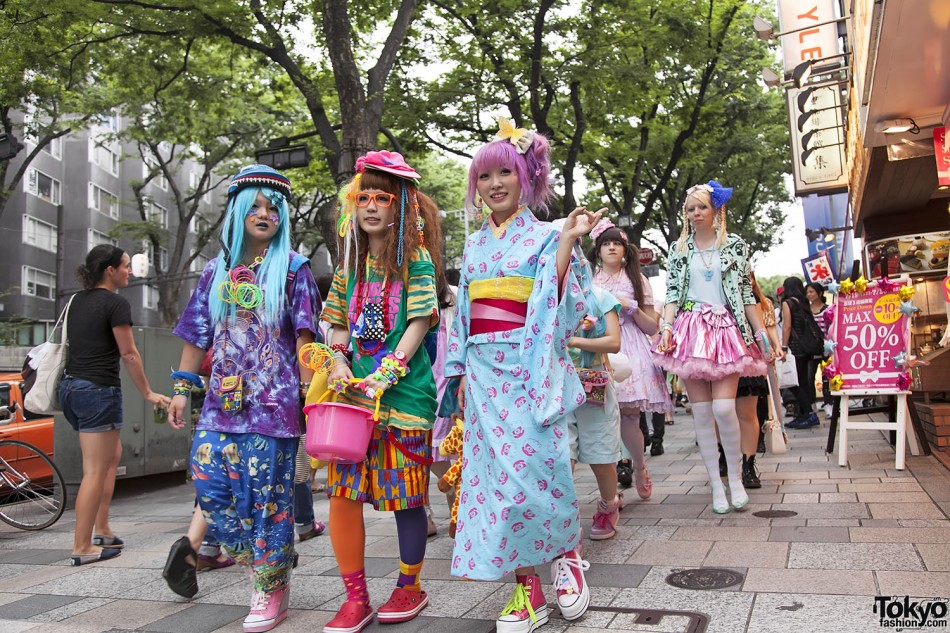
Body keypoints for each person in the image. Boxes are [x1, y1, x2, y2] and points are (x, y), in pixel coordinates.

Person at [445, 118, 602, 632]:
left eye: (505, 174)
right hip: (486, 374)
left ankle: (567, 555)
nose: (494, 185)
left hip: (531, 367)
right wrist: (460, 369)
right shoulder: (472, 248)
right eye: (485, 176)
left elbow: (558, 301)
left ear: (526, 177)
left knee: (540, 470)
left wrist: (565, 243)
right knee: (497, 484)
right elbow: (464, 315)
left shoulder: (543, 236)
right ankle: (525, 587)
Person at [165, 164, 321, 633]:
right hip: (219, 407)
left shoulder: (294, 268)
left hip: (274, 411)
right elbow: (197, 333)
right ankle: (267, 566)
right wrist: (181, 388)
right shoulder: (215, 271)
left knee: (268, 503)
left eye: (272, 208)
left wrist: (316, 399)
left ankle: (269, 589)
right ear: (236, 212)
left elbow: (306, 341)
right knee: (209, 486)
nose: (263, 213)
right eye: (253, 206)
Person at [320, 150, 444, 633]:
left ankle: (410, 585)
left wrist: (389, 370)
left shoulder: (415, 261)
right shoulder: (348, 265)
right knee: (341, 495)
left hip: (405, 397)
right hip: (351, 400)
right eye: (364, 197)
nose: (372, 206)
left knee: (406, 498)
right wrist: (336, 360)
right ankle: (355, 598)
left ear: (400, 207)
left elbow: (418, 323)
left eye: (383, 198)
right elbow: (335, 325)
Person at [653, 181, 769, 515]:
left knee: (723, 409)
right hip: (691, 331)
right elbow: (673, 293)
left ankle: (735, 478)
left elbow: (747, 293)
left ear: (716, 210)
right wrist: (666, 327)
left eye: (702, 207)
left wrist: (760, 331)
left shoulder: (733, 245)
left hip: (725, 331)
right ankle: (715, 485)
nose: (696, 213)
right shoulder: (680, 249)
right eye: (690, 208)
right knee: (702, 413)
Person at [59, 245, 171, 566]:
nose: (129, 271)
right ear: (109, 270)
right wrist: (149, 393)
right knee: (95, 469)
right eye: (124, 266)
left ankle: (103, 529)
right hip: (97, 391)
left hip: (72, 388)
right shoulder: (115, 303)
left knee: (113, 455)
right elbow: (129, 353)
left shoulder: (76, 301)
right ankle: (82, 546)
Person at [588, 220, 672, 498]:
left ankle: (638, 466)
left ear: (625, 250)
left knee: (629, 416)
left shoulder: (638, 279)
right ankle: (611, 489)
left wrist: (632, 307)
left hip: (631, 348)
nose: (611, 247)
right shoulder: (588, 279)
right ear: (598, 250)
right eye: (606, 243)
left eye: (617, 243)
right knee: (601, 420)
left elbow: (652, 328)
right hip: (598, 348)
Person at [565, 286, 624, 540]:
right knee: (561, 454)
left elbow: (614, 341)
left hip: (594, 385)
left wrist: (573, 340)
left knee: (601, 456)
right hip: (557, 386)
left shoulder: (600, 297)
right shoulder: (543, 292)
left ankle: (609, 504)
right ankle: (563, 518)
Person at [733, 272, 784, 489]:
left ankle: (748, 464)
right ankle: (723, 459)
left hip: (747, 354)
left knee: (747, 412)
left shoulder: (755, 299)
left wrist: (771, 347)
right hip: (715, 356)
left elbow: (763, 326)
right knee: (720, 411)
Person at [780, 277, 820, 429]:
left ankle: (809, 414)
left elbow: (787, 327)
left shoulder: (788, 303)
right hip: (806, 349)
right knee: (802, 382)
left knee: (794, 384)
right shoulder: (803, 303)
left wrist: (783, 347)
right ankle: (803, 415)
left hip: (795, 349)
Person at [806, 281, 833, 418]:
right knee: (809, 378)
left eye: (811, 291)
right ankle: (812, 406)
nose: (809, 294)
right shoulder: (806, 310)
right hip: (811, 349)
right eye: (808, 292)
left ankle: (829, 404)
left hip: (826, 348)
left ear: (820, 293)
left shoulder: (828, 309)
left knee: (827, 377)